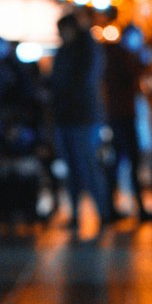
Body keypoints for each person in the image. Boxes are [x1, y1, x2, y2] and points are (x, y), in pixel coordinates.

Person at [49, 12, 110, 231]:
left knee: (87, 166)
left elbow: (83, 82)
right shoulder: (69, 51)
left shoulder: (86, 50)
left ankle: (103, 212)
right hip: (70, 116)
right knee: (74, 168)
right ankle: (78, 213)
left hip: (83, 117)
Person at [103, 23, 151, 219]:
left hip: (119, 114)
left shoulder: (118, 56)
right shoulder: (122, 57)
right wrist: (142, 59)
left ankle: (115, 207)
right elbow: (132, 76)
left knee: (122, 160)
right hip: (122, 115)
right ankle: (128, 207)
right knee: (127, 159)